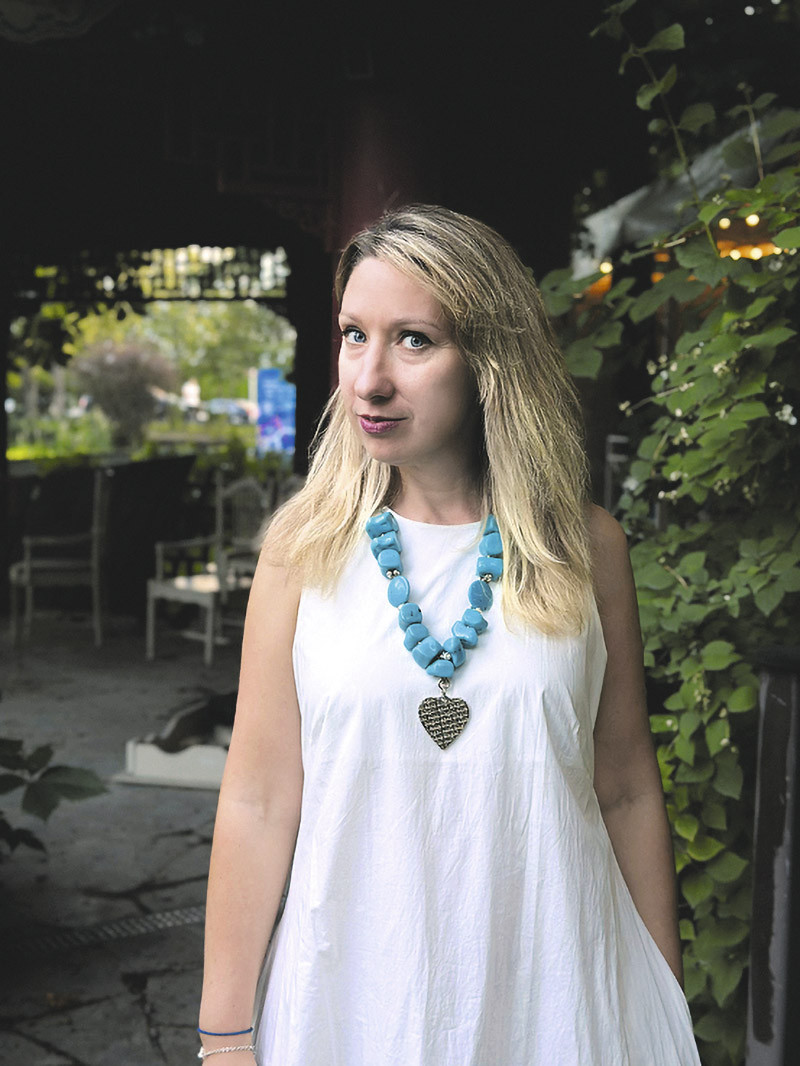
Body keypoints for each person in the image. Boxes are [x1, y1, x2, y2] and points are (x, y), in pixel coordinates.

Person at [198, 204, 701, 1065]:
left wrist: (661, 1002)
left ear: (490, 360)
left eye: (414, 341)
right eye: (354, 336)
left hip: (561, 1000)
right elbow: (257, 801)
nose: (369, 380)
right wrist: (224, 1038)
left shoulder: (586, 549)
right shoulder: (301, 551)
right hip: (351, 1005)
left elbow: (623, 788)